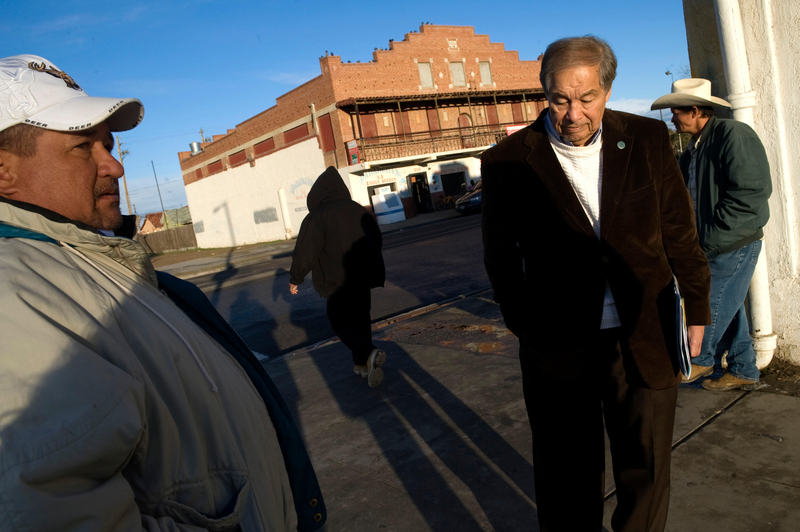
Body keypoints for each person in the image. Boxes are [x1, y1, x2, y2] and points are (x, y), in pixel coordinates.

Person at [0, 55, 325, 531]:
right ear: (4, 171)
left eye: (109, 145)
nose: (114, 166)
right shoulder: (17, 295)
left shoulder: (92, 263)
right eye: (81, 148)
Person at [481, 37, 710, 531]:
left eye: (587, 98)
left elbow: (678, 229)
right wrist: (526, 325)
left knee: (646, 470)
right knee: (567, 478)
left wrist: (698, 305)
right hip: (558, 346)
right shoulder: (506, 161)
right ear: (545, 93)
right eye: (561, 99)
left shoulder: (647, 139)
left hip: (644, 332)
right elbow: (500, 259)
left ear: (607, 89)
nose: (573, 113)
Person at [652, 78, 771, 390]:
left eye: (676, 111)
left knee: (711, 302)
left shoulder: (733, 135)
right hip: (710, 243)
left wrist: (712, 236)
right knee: (726, 304)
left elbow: (752, 191)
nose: (672, 118)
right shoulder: (693, 149)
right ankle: (744, 368)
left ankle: (701, 359)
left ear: (694, 110)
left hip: (732, 242)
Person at [289, 167, 387, 387]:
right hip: (362, 275)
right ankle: (362, 365)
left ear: (317, 193)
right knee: (361, 319)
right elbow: (375, 239)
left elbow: (306, 250)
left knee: (339, 319)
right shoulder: (358, 210)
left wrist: (296, 277)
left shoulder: (318, 216)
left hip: (337, 279)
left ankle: (368, 352)